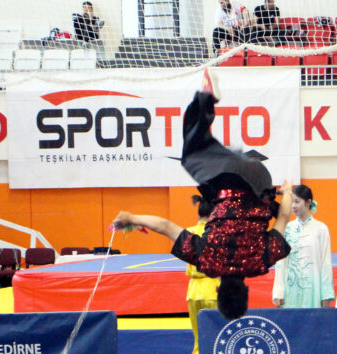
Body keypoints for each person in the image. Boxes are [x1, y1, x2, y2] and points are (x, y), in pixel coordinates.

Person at [112, 69, 292, 320]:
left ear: (247, 291)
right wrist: (130, 218)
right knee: (191, 154)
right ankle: (206, 99)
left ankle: (209, 103)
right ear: (217, 290)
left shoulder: (262, 262)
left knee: (211, 160)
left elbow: (283, 218)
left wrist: (288, 192)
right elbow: (165, 226)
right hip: (226, 178)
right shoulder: (206, 260)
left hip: (260, 179)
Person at [272, 185, 334, 309]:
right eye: (292, 202)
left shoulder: (321, 229)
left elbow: (325, 263)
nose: (293, 206)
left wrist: (326, 295)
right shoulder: (287, 229)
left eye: (297, 202)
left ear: (308, 202)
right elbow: (280, 263)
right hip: (290, 291)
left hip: (313, 290)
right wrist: (278, 292)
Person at [185, 194, 219, 354]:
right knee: (217, 337)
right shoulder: (218, 232)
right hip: (214, 289)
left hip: (194, 292)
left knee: (199, 339)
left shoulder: (189, 233)